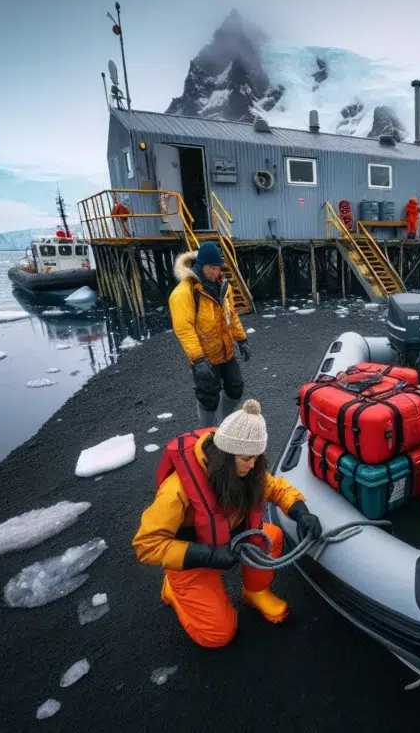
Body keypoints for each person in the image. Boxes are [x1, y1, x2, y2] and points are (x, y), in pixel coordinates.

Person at [133, 400, 324, 648]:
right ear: (226, 456)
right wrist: (207, 555)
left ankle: (255, 592)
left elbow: (276, 489)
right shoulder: (176, 488)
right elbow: (146, 545)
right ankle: (173, 589)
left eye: (256, 457)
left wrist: (301, 512)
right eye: (247, 458)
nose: (253, 465)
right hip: (192, 558)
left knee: (271, 537)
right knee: (218, 635)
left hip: (228, 542)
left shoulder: (246, 468)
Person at [170, 242, 250, 429]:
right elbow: (184, 328)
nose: (216, 272)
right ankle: (205, 431)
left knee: (235, 388)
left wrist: (242, 339)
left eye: (218, 268)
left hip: (226, 350)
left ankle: (223, 423)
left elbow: (231, 315)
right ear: (201, 265)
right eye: (212, 268)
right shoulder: (182, 293)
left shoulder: (224, 287)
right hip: (204, 357)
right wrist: (198, 360)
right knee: (208, 397)